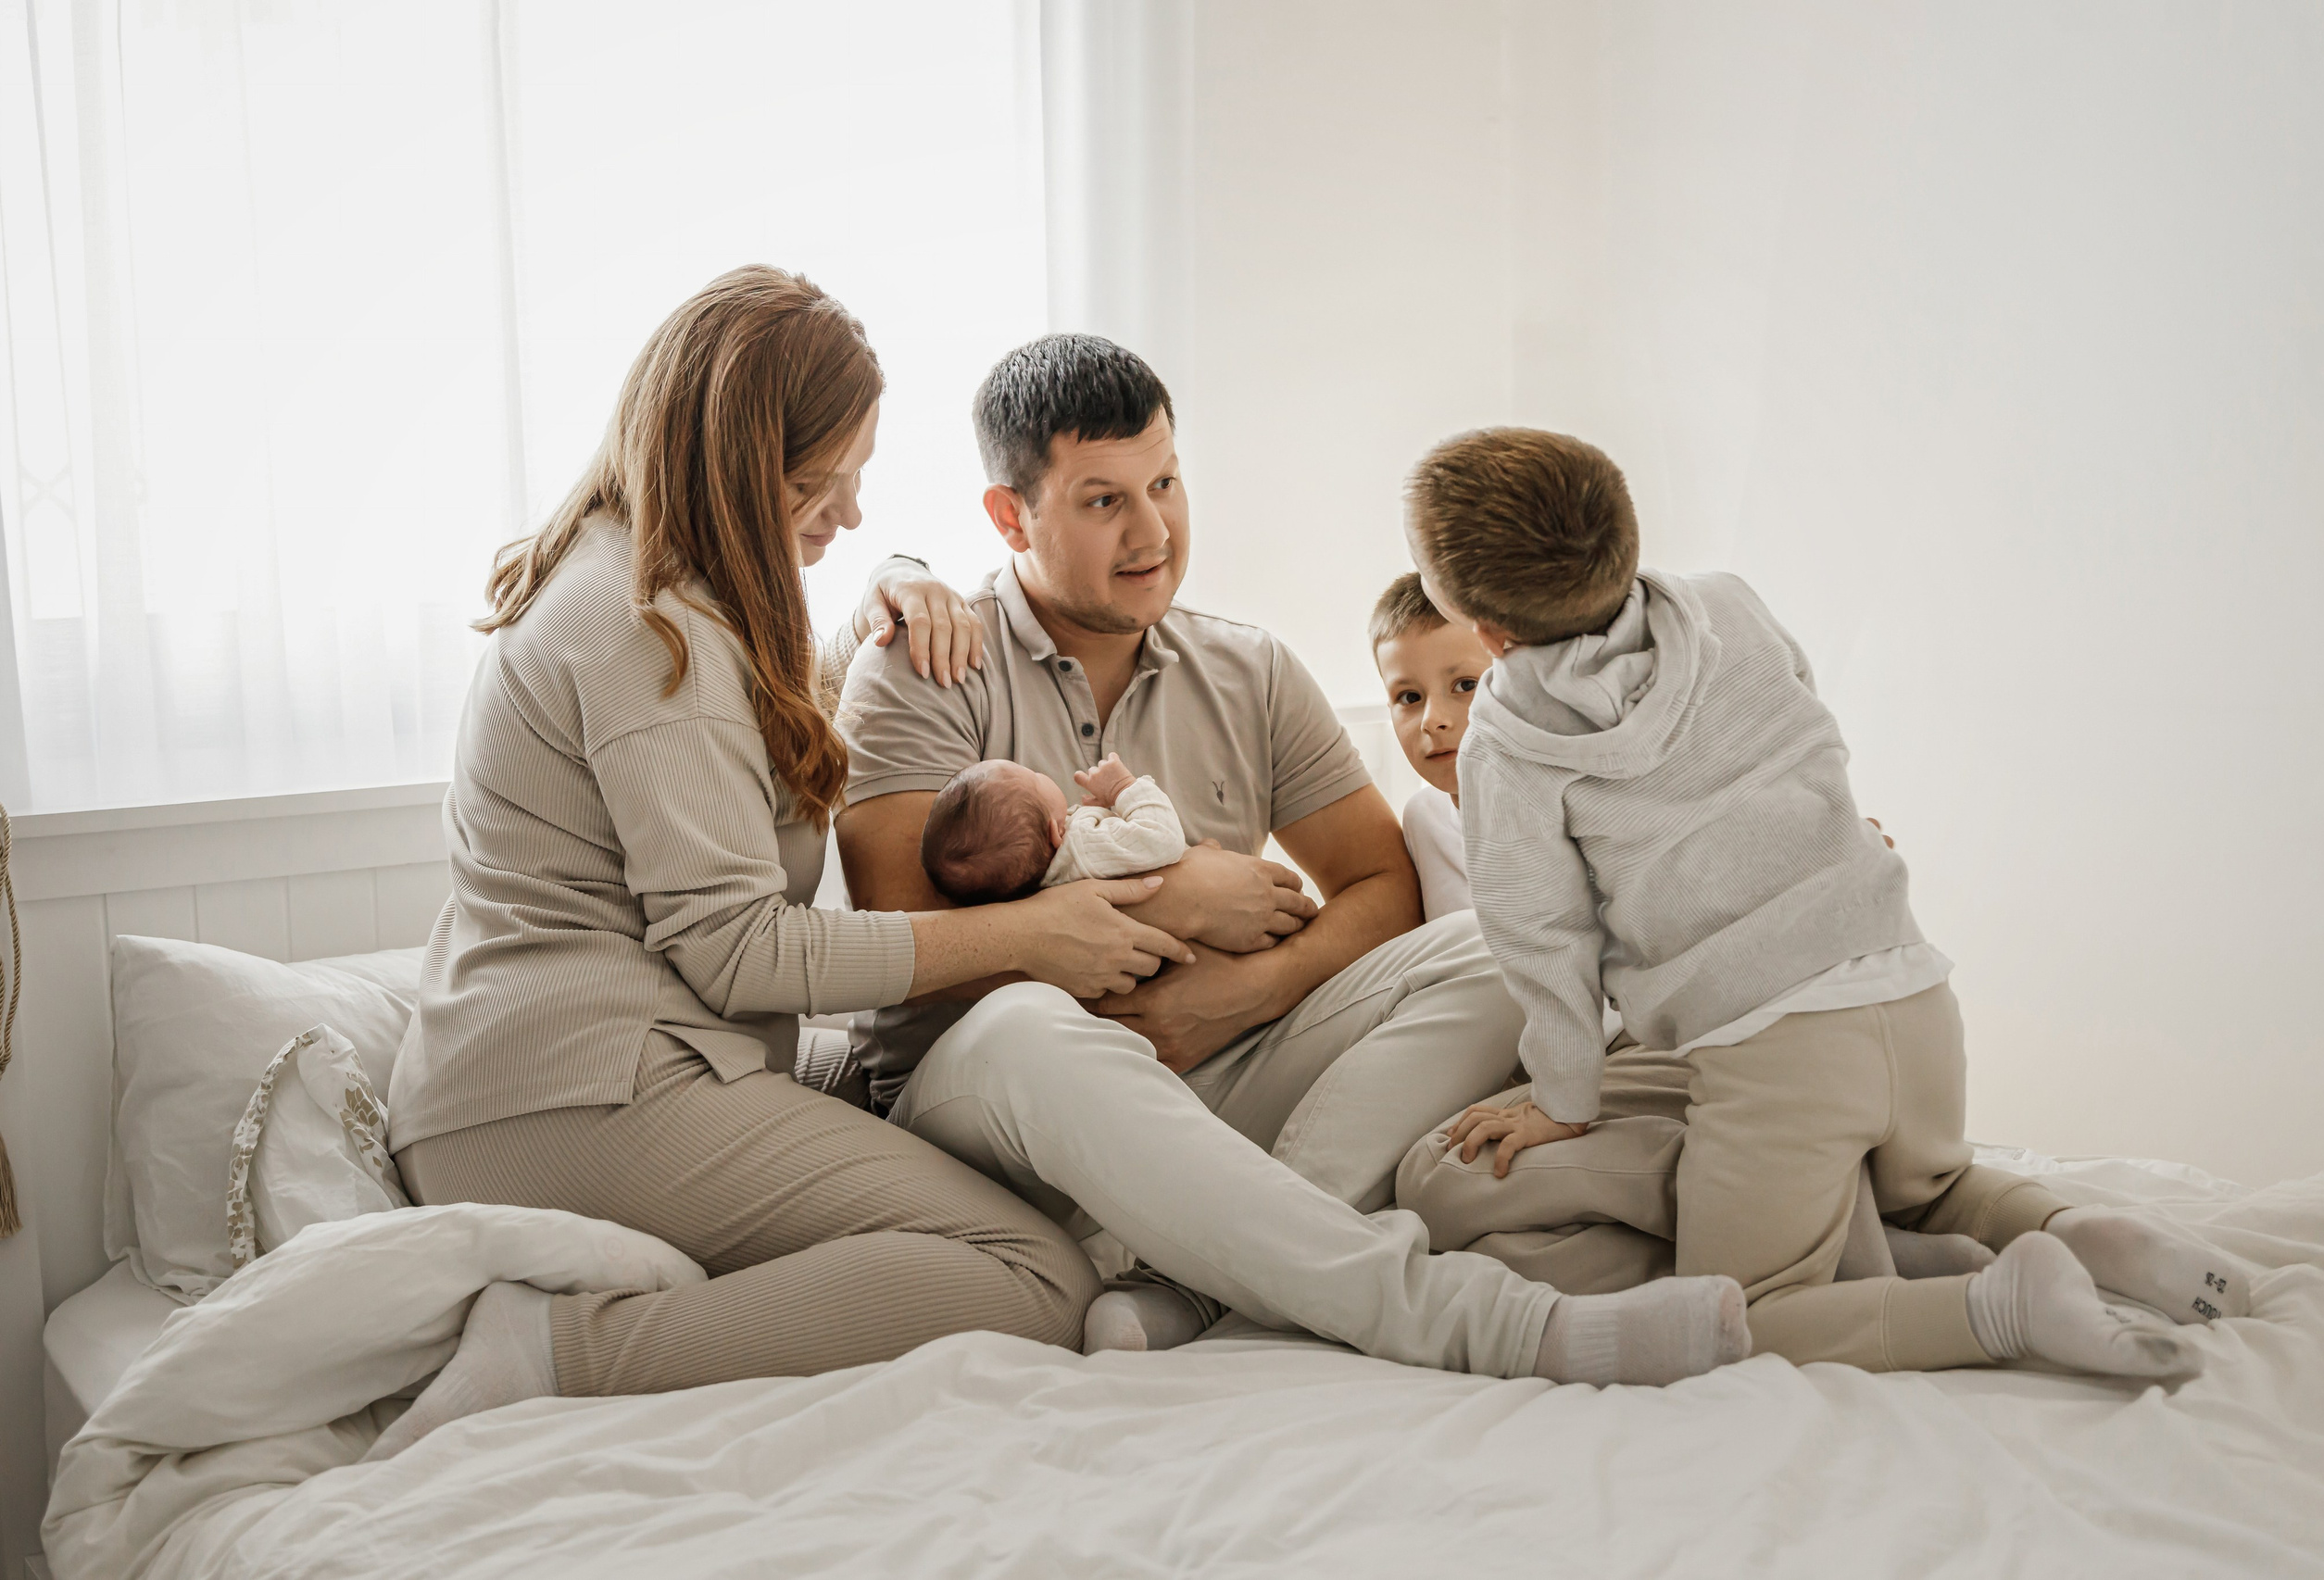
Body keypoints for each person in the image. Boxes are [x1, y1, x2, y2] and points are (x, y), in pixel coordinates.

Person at [367, 269, 1212, 1459]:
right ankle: (556, 1352)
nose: (848, 510)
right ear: (729, 463)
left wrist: (890, 581)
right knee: (1029, 1269)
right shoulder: (640, 634)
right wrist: (1027, 935)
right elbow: (737, 948)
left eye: (857, 479)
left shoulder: (663, 592)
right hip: (569, 1094)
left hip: (598, 1065)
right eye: (821, 483)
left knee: (953, 1128)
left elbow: (760, 739)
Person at [834, 333, 1752, 1382]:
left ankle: (1204, 1270)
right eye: (1102, 501)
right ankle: (1485, 1322)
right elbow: (908, 946)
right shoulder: (922, 664)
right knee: (1026, 1024)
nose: (1153, 531)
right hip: (998, 1105)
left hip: (1206, 1074)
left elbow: (1384, 887)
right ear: (1011, 515)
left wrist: (1250, 990)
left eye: (1166, 482)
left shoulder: (1248, 665)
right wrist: (1173, 900)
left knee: (1493, 944)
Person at [1404, 426, 2248, 1378]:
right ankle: (2094, 1237)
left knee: (1741, 1311)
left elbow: (1536, 932)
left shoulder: (1508, 744)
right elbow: (1805, 731)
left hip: (1779, 1047)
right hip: (1910, 984)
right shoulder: (1727, 606)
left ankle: (1998, 1306)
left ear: (1488, 631)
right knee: (1931, 1186)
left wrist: (1562, 1098)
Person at [1369, 572, 1489, 921]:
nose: (1432, 720)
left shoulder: (1574, 810)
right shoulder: (1422, 820)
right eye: (1410, 697)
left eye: (1466, 685)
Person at [923, 752, 1187, 903]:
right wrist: (1124, 789)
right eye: (1034, 777)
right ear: (1054, 832)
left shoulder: (1049, 872)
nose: (1038, 772)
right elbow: (1162, 837)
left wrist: (1109, 810)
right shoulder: (1082, 848)